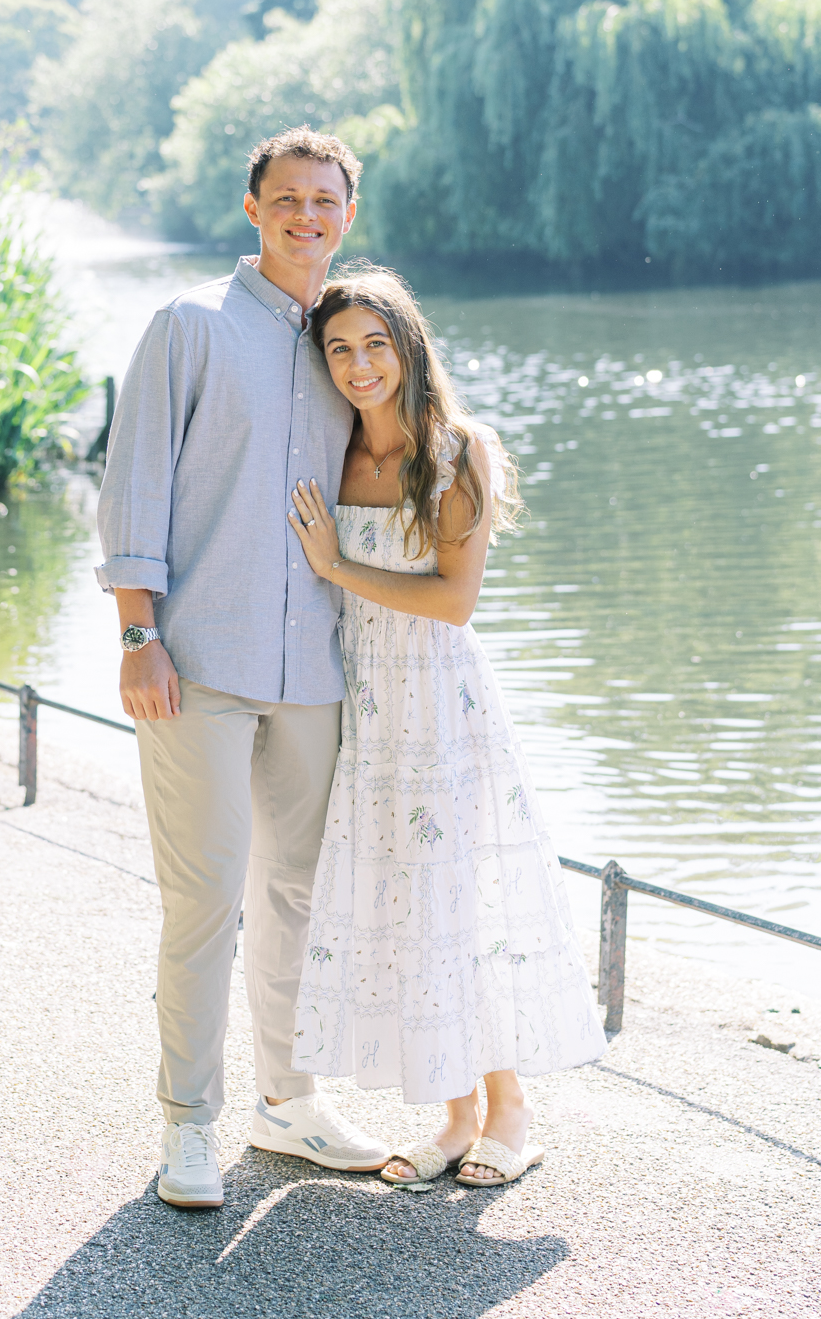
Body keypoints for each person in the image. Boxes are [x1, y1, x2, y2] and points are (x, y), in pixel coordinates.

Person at [95, 128, 392, 1210]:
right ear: (253, 208)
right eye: (287, 198)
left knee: (297, 895)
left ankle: (288, 1101)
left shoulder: (344, 342)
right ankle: (188, 1122)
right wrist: (138, 634)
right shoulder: (188, 327)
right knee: (204, 898)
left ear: (345, 216)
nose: (306, 215)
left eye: (325, 200)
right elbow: (133, 486)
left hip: (311, 667)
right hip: (198, 662)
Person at [287, 265, 607, 1187]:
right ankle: (457, 1113)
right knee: (406, 907)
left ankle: (511, 1108)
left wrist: (335, 566)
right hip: (371, 714)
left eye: (375, 344)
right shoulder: (335, 453)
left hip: (443, 709)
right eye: (340, 349)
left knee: (464, 904)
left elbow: (453, 602)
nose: (358, 365)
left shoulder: (457, 449)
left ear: (408, 347)